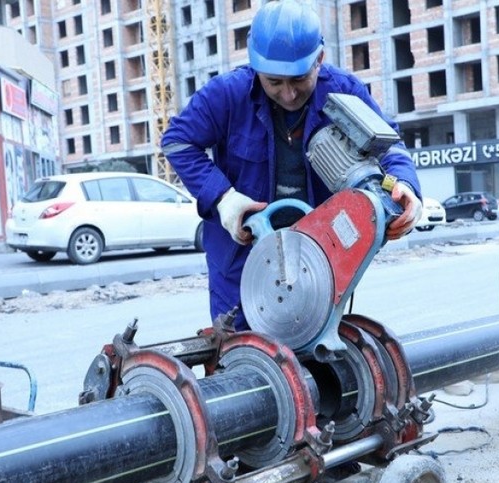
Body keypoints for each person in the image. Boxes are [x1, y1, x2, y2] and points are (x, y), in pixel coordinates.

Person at [162, 0, 422, 331]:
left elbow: (390, 148)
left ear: (319, 60)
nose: (288, 94)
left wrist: (405, 186)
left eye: (299, 79)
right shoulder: (226, 95)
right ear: (255, 65)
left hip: (320, 253)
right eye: (274, 82)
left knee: (316, 341)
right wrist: (222, 197)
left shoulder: (345, 92)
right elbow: (177, 142)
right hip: (241, 257)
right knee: (241, 346)